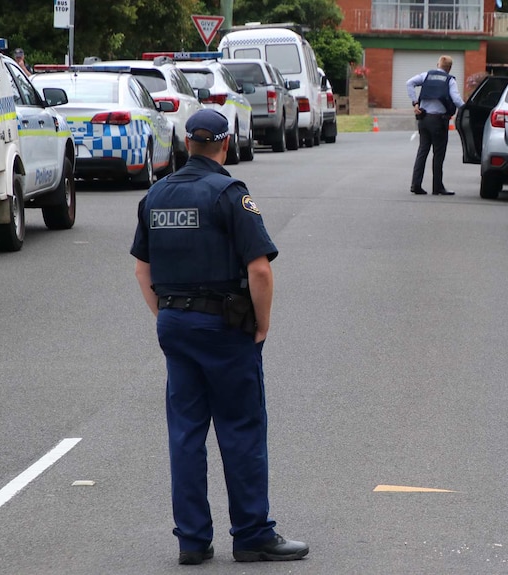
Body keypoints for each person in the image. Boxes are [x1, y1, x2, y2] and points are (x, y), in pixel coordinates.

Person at [130, 109, 309, 565]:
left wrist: (167, 315)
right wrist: (262, 324)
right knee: (241, 429)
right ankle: (251, 534)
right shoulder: (230, 194)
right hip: (225, 328)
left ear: (187, 144)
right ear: (225, 145)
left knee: (186, 433)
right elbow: (259, 270)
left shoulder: (156, 195)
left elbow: (142, 269)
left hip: (174, 324)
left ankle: (192, 540)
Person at [406, 55, 466, 196]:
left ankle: (416, 185)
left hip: (424, 118)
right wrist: (466, 108)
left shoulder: (426, 75)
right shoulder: (450, 80)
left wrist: (415, 102)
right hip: (439, 121)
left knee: (422, 151)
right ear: (449, 68)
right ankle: (437, 187)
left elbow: (409, 83)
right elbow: (456, 99)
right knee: (438, 154)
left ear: (438, 65)